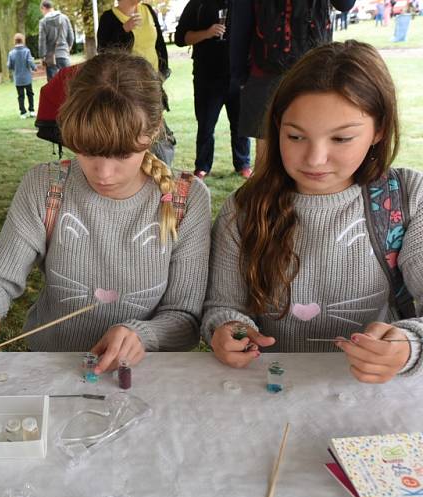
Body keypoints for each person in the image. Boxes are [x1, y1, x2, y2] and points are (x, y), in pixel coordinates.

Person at [0, 51, 211, 374]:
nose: (103, 173)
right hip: (55, 369)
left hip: (145, 374)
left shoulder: (187, 201)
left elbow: (186, 319)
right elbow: (1, 276)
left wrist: (142, 335)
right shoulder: (45, 186)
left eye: (121, 154)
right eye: (87, 150)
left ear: (154, 130)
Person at [203, 41, 423, 383]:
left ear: (379, 130)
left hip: (372, 394)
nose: (315, 159)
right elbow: (223, 305)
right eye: (296, 136)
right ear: (277, 127)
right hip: (269, 389)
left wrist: (409, 345)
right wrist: (228, 328)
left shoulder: (407, 198)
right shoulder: (244, 209)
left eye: (341, 139)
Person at [230, 0, 355, 165]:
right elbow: (240, 23)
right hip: (267, 71)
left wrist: (239, 73)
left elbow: (344, 5)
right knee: (267, 149)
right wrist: (239, 74)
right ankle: (267, 190)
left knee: (313, 139)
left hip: (314, 72)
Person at [175, 0, 251, 180]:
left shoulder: (243, 4)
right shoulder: (197, 4)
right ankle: (202, 166)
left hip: (238, 77)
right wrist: (207, 33)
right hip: (207, 78)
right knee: (206, 127)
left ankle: (243, 164)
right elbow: (180, 38)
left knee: (241, 126)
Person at [97, 0, 175, 167]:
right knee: (135, 129)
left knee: (156, 129)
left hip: (153, 82)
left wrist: (162, 71)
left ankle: (160, 168)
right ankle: (138, 167)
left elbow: (159, 43)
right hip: (128, 88)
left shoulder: (147, 10)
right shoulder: (109, 18)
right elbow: (104, 52)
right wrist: (124, 30)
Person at [38, 0, 75, 81]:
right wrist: (68, 48)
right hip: (64, 54)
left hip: (51, 58)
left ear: (44, 8)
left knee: (52, 84)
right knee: (68, 82)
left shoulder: (43, 22)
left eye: (42, 11)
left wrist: (42, 56)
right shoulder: (64, 18)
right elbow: (71, 36)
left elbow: (42, 41)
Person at [7, 33, 37, 119]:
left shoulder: (11, 53)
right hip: (27, 77)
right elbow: (30, 61)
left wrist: (14, 68)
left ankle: (23, 112)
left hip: (18, 78)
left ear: (15, 41)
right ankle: (31, 110)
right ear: (22, 40)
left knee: (20, 96)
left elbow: (9, 65)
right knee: (30, 94)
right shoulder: (27, 51)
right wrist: (34, 68)